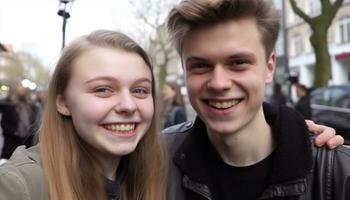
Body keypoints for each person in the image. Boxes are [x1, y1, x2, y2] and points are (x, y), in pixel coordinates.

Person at [165, 0, 350, 199]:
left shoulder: (337, 174)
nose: (219, 83)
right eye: (200, 65)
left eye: (238, 62)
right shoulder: (156, 159)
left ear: (269, 68)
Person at [0, 30, 167, 200]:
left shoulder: (159, 176)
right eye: (102, 89)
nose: (128, 105)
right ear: (63, 102)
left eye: (140, 90)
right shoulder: (20, 186)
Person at [0, 80, 39, 159]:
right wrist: (15, 132)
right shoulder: (7, 104)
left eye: (24, 87)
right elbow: (4, 123)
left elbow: (34, 121)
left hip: (27, 143)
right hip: (11, 143)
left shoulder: (32, 105)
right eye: (20, 86)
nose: (23, 88)